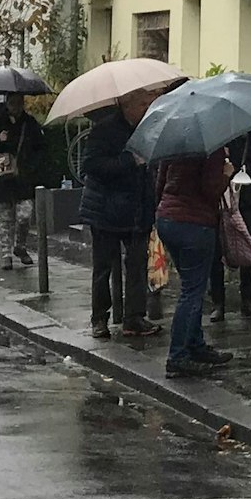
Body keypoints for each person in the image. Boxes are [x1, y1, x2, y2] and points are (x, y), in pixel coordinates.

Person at [79, 90, 161, 340]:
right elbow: (90, 166)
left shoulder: (148, 128)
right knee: (103, 266)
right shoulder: (104, 130)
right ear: (127, 106)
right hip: (105, 210)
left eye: (149, 103)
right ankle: (99, 319)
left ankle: (134, 318)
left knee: (136, 265)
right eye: (143, 103)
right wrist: (128, 161)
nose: (148, 108)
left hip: (137, 209)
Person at [155, 144, 236, 377]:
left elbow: (159, 184)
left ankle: (195, 345)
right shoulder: (213, 148)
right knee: (192, 291)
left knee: (191, 286)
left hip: (168, 219)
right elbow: (210, 190)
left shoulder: (174, 145)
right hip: (194, 224)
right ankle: (178, 356)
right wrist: (226, 173)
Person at [0, 93, 50, 271]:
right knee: (5, 217)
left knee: (25, 215)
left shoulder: (29, 123)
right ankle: (5, 255)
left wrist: (32, 167)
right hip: (2, 178)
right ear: (6, 103)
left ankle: (20, 246)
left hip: (23, 178)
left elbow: (41, 147)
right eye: (12, 103)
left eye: (19, 103)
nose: (15, 106)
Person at [209, 128, 251, 321]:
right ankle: (218, 302)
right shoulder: (214, 134)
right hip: (218, 196)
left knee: (247, 246)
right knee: (216, 250)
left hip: (244, 197)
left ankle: (248, 300)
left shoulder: (250, 134)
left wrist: (245, 171)